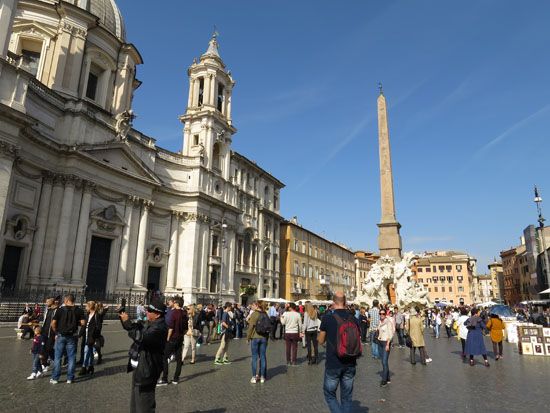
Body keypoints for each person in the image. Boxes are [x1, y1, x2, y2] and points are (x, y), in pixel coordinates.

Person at [120, 299, 167, 413]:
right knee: (136, 396)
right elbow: (133, 327)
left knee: (144, 399)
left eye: (150, 310)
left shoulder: (159, 328)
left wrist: (128, 323)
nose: (147, 312)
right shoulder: (149, 323)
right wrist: (122, 317)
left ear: (157, 314)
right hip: (141, 365)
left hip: (148, 368)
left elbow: (141, 337)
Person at [319, 292, 360, 413]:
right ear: (346, 303)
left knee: (329, 394)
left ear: (333, 303)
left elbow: (320, 340)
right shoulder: (354, 319)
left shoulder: (327, 318)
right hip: (351, 362)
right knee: (347, 398)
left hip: (333, 363)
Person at [50, 294, 86, 384]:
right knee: (71, 357)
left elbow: (53, 324)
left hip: (61, 335)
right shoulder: (79, 310)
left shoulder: (60, 310)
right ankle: (70, 378)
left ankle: (55, 378)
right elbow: (83, 323)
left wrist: (56, 332)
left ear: (66, 301)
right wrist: (79, 332)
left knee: (58, 357)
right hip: (73, 336)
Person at [158, 297, 187, 385]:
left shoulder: (174, 313)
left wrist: (167, 338)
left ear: (177, 303)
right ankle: (176, 379)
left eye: (174, 302)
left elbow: (171, 328)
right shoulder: (184, 313)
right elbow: (186, 329)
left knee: (164, 357)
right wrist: (181, 335)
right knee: (179, 359)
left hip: (172, 338)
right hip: (180, 338)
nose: (173, 304)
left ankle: (164, 379)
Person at [247, 301, 270, 383]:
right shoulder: (265, 314)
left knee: (254, 357)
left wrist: (248, 338)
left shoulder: (254, 314)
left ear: (257, 306)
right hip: (264, 338)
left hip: (255, 337)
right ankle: (262, 377)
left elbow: (250, 327)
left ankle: (253, 377)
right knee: (263, 357)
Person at [79, 301, 101, 376]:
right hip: (86, 336)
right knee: (90, 352)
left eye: (86, 306)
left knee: (86, 351)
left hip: (92, 337)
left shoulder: (97, 315)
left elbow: (98, 327)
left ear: (90, 307)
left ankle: (84, 367)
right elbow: (84, 325)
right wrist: (80, 334)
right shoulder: (87, 315)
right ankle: (91, 367)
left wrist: (95, 337)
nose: (85, 308)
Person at [377, 309, 394, 386]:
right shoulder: (380, 321)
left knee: (384, 361)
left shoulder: (388, 322)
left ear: (385, 314)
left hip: (386, 343)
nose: (381, 315)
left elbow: (391, 334)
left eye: (383, 314)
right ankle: (387, 377)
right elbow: (379, 330)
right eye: (380, 314)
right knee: (383, 361)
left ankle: (384, 380)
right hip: (380, 342)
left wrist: (388, 344)